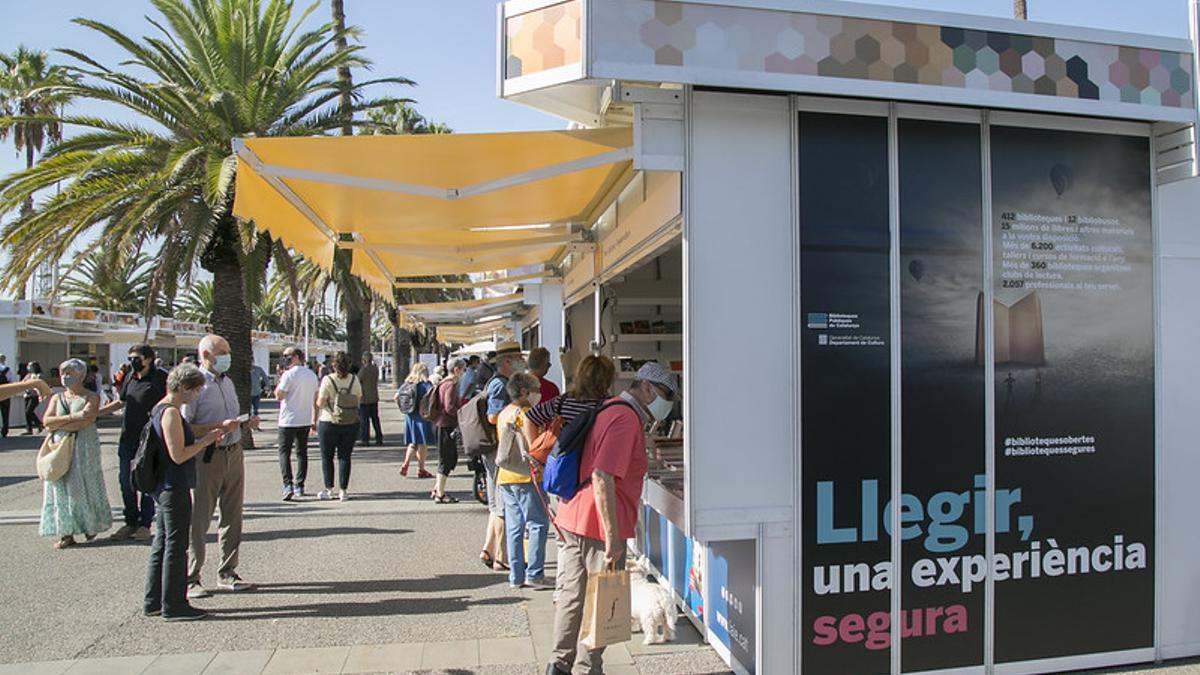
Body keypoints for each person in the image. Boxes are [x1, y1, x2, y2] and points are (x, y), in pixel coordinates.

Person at [546, 362, 675, 675]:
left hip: (575, 514)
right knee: (601, 604)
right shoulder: (625, 419)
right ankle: (588, 669)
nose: (667, 402)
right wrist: (612, 536)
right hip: (597, 523)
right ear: (646, 388)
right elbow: (602, 474)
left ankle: (558, 665)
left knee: (572, 598)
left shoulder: (609, 407)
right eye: (665, 394)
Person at [524, 356, 617, 601]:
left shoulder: (563, 401)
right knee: (594, 541)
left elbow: (531, 417)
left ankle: (563, 592)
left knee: (565, 539)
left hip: (562, 476)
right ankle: (590, 595)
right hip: (590, 478)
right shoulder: (608, 406)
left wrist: (536, 447)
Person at [145, 364, 226, 622]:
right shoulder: (170, 413)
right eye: (194, 389)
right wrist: (204, 442)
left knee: (163, 543)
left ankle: (154, 600)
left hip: (164, 484)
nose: (196, 394)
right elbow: (178, 454)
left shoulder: (160, 408)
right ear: (182, 387)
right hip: (173, 484)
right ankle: (174, 604)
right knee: (176, 545)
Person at [184, 334, 259, 599]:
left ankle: (227, 572)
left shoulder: (227, 383)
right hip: (207, 457)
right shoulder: (195, 386)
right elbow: (184, 427)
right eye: (222, 352)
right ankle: (191, 577)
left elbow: (230, 418)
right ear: (206, 355)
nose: (228, 356)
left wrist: (244, 423)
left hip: (233, 452)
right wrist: (216, 428)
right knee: (200, 517)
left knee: (232, 515)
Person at [39, 359, 112, 549]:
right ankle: (66, 532)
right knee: (60, 485)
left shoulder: (91, 397)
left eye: (70, 373)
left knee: (83, 484)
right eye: (63, 373)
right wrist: (71, 417)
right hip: (60, 446)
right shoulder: (58, 397)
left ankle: (89, 524)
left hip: (84, 447)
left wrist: (59, 422)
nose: (65, 377)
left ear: (81, 375)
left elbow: (85, 421)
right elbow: (47, 421)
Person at [100, 345, 168, 541]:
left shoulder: (160, 378)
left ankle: (145, 524)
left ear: (148, 359)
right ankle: (130, 521)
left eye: (136, 358)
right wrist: (96, 413)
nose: (132, 361)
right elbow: (121, 402)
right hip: (127, 438)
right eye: (130, 358)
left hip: (150, 440)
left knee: (147, 481)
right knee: (125, 481)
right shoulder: (130, 376)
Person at [496, 372, 551, 589]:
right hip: (526, 476)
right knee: (538, 523)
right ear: (524, 391)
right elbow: (533, 446)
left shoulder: (504, 413)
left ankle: (516, 576)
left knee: (514, 527)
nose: (539, 393)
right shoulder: (526, 413)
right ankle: (535, 573)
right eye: (536, 389)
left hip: (506, 475)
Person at [481, 341, 524, 571]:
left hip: (498, 449)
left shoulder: (499, 382)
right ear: (507, 362)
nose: (522, 362)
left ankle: (488, 548)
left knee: (496, 504)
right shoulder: (499, 385)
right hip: (499, 450)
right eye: (518, 358)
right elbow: (492, 416)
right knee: (502, 505)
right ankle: (501, 556)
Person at [315, 351, 361, 501]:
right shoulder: (354, 380)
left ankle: (329, 489)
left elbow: (320, 403)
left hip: (329, 421)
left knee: (327, 456)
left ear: (333, 365)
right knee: (345, 456)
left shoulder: (328, 380)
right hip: (350, 422)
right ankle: (343, 490)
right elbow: (358, 399)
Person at [275, 347, 319, 501]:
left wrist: (279, 381)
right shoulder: (311, 375)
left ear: (297, 357)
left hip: (288, 420)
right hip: (304, 419)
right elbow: (316, 400)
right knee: (301, 453)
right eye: (284, 356)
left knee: (284, 453)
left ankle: (288, 484)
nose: (285, 358)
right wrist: (314, 419)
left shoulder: (288, 375)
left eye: (288, 356)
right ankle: (299, 485)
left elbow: (279, 396)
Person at [430, 358, 465, 503]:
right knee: (446, 459)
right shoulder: (450, 385)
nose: (463, 373)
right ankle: (440, 493)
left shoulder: (443, 383)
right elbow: (449, 407)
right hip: (445, 425)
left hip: (440, 423)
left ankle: (438, 488)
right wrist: (461, 415)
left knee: (448, 458)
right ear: (456, 370)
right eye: (463, 370)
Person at [398, 363, 435, 479]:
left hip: (410, 415)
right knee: (423, 444)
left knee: (413, 443)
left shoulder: (406, 384)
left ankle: (406, 463)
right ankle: (421, 468)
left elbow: (396, 397)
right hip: (422, 416)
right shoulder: (426, 385)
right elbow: (433, 397)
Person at [358, 352, 383, 446]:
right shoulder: (375, 369)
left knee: (364, 420)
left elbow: (358, 379)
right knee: (375, 419)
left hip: (365, 398)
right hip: (374, 397)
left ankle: (365, 439)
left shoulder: (364, 369)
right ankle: (379, 438)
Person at [23, 361, 45, 435]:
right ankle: (29, 429)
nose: (28, 367)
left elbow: (39, 384)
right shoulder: (28, 375)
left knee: (28, 411)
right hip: (27, 395)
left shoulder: (38, 375)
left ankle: (39, 424)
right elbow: (22, 383)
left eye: (30, 365)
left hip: (34, 396)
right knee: (27, 413)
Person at [0, 353, 11, 437]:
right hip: (6, 392)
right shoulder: (8, 370)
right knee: (5, 412)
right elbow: (11, 381)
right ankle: (5, 430)